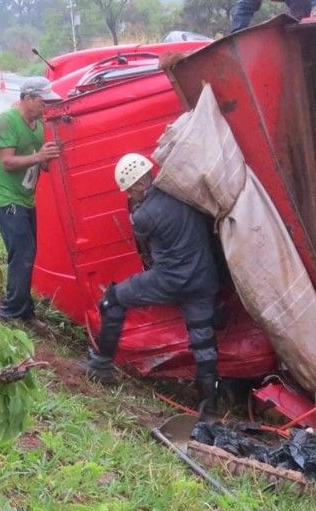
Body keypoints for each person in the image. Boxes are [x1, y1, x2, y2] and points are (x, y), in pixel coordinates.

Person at [81, 153, 223, 419]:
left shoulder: (144, 215)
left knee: (113, 299)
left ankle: (101, 365)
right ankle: (209, 408)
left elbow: (141, 243)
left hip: (169, 279)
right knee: (203, 341)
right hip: (203, 278)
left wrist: (134, 209)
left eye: (129, 191)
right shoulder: (184, 193)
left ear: (136, 186)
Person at [0, 78, 62, 325]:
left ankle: (25, 310)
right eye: (43, 101)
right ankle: (9, 313)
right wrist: (40, 155)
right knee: (23, 253)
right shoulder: (6, 121)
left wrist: (47, 159)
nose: (45, 107)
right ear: (28, 98)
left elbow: (40, 162)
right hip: (5, 200)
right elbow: (7, 162)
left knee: (28, 253)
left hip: (26, 200)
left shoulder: (38, 126)